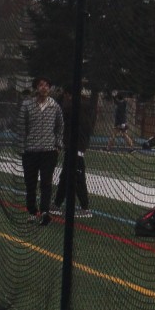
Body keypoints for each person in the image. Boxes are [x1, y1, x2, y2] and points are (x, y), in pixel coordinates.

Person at [17, 77, 63, 225]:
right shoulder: (27, 105)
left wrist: (57, 145)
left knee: (46, 183)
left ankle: (44, 212)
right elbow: (21, 127)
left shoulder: (54, 106)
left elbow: (60, 126)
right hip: (30, 151)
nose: (44, 87)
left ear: (49, 88)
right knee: (30, 183)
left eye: (47, 85)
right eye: (41, 85)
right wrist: (22, 147)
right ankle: (32, 211)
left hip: (49, 152)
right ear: (36, 88)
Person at [53, 88, 95, 217]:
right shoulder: (81, 107)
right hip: (73, 148)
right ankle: (57, 204)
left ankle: (85, 208)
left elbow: (62, 113)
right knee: (65, 177)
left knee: (78, 179)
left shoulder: (75, 108)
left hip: (76, 148)